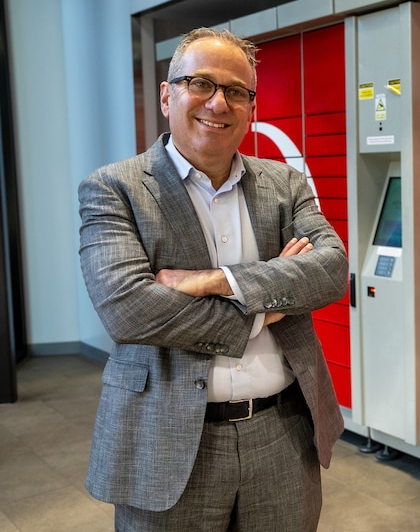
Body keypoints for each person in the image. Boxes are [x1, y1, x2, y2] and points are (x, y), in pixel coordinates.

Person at [78, 27, 348, 531]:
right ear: (167, 95)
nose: (218, 103)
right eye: (200, 83)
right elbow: (127, 307)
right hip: (169, 439)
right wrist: (267, 308)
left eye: (236, 91)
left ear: (251, 106)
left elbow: (332, 270)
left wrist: (215, 280)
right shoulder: (115, 188)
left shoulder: (284, 184)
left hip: (284, 433)